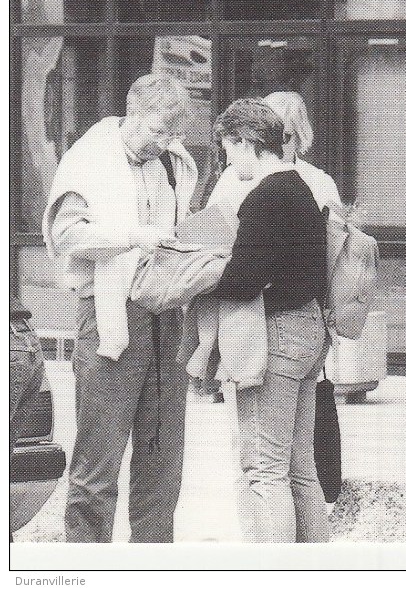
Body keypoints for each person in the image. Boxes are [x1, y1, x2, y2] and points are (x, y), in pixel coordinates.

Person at [42, 74, 198, 542]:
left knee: (163, 455)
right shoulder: (86, 161)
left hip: (166, 312)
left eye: (173, 135)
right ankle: (87, 563)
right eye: (156, 132)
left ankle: (151, 561)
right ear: (131, 113)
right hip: (110, 313)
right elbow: (65, 236)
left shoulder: (172, 161)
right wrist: (133, 239)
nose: (164, 143)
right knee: (99, 457)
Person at [212, 99, 331, 543]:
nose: (227, 161)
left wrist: (195, 278)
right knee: (301, 471)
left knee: (264, 470)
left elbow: (245, 279)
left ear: (245, 142)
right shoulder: (300, 187)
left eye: (227, 150)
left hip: (276, 334)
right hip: (309, 330)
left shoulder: (262, 197)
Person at [209, 90, 341, 217]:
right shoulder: (232, 175)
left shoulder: (320, 182)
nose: (274, 142)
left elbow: (338, 233)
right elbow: (207, 224)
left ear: (300, 135)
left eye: (284, 136)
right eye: (267, 134)